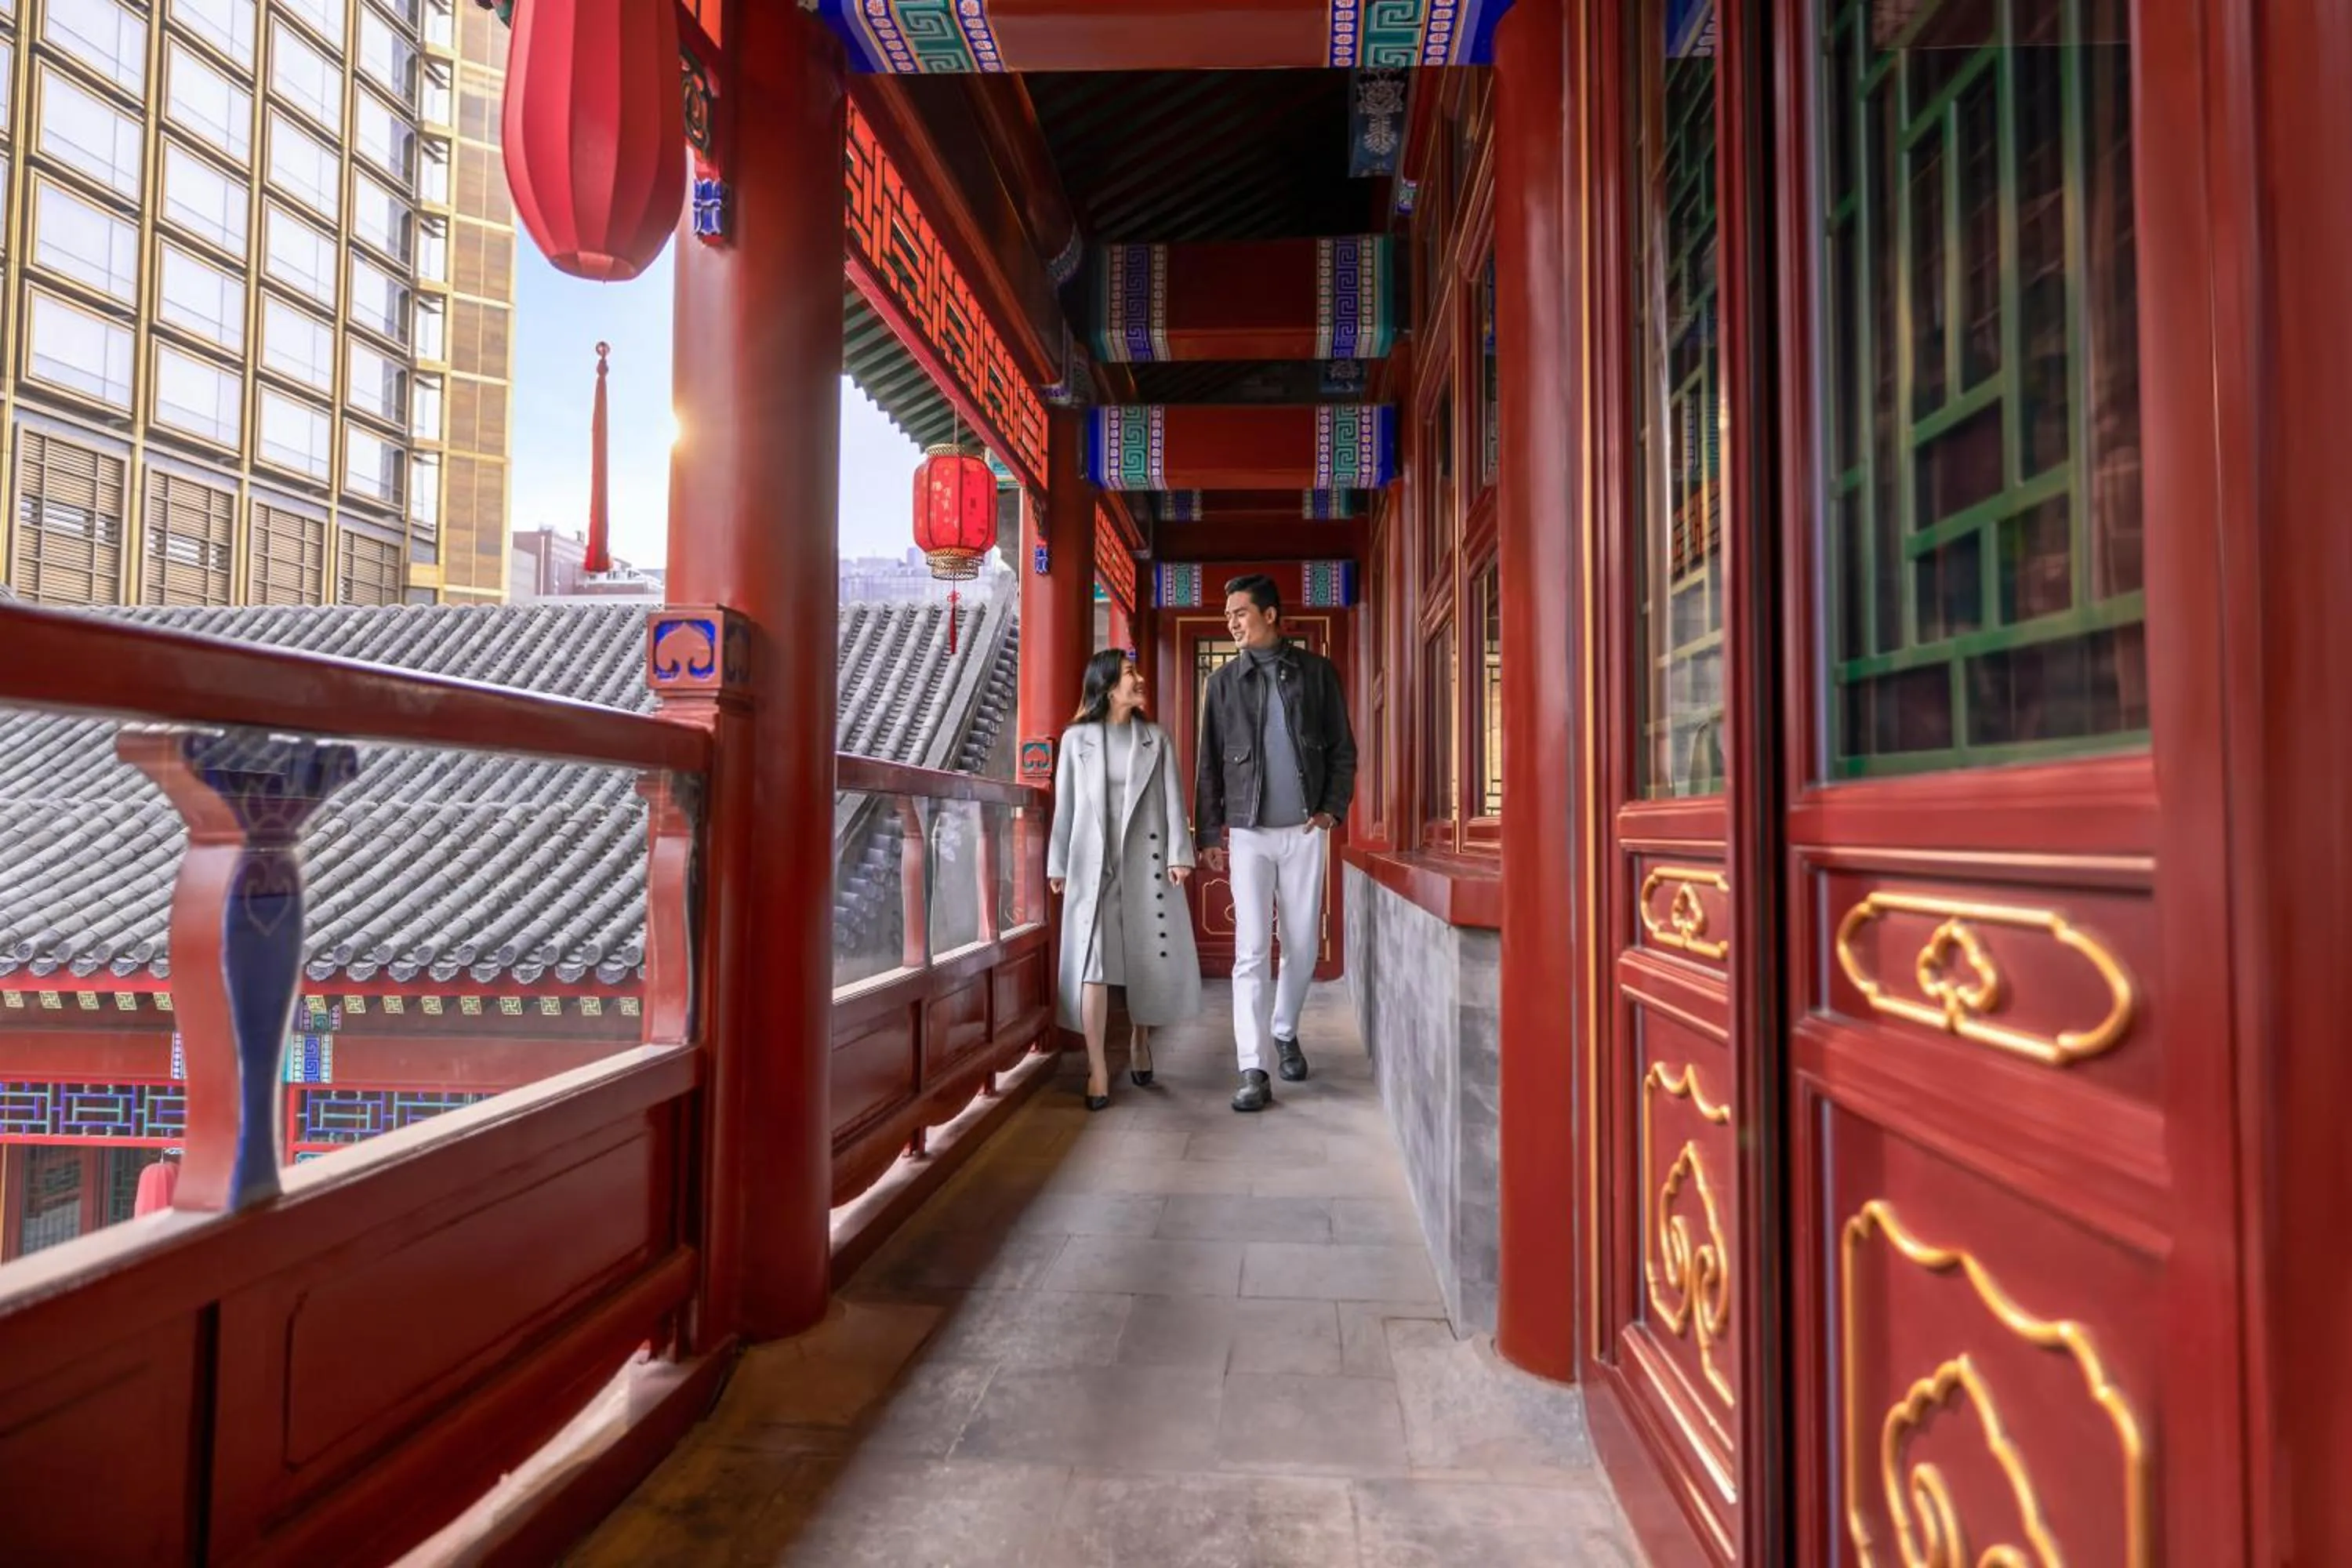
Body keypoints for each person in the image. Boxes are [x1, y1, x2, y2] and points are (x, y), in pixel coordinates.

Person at [1194, 575, 1357, 1112]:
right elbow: (1209, 764)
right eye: (1228, 617)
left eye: (1240, 613)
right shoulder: (1221, 685)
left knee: (1304, 943)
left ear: (1269, 614)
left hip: (1306, 832)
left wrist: (1333, 807)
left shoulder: (1315, 674)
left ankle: (1285, 1029)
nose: (1233, 623)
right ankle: (1253, 1066)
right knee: (1251, 950)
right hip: (1248, 833)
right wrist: (1208, 829)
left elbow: (1342, 748)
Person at [1047, 649, 1203, 1109]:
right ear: (1108, 685)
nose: (1139, 680)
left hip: (1145, 863)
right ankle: (1096, 1067)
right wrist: (1058, 863)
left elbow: (1174, 799)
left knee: (1143, 957)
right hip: (1092, 866)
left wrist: (1180, 855)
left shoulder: (1155, 738)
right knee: (1092, 966)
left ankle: (1139, 1039)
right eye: (1130, 673)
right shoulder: (1077, 740)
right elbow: (1066, 807)